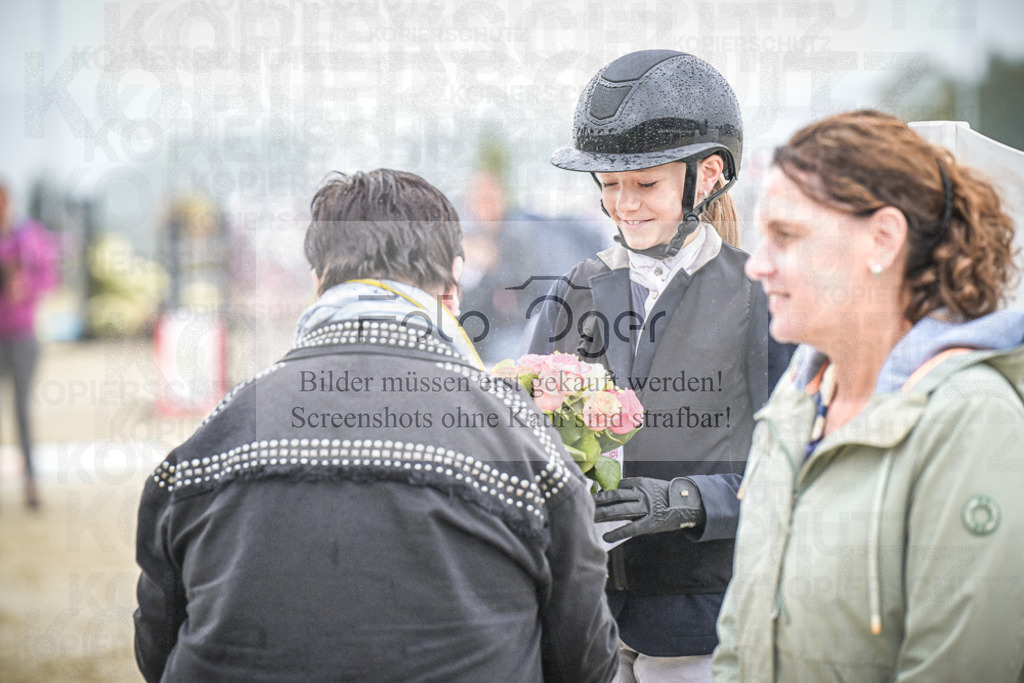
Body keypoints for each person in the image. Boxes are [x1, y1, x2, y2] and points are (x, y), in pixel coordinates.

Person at [133, 169, 619, 682]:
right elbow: (585, 660)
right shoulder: (519, 439)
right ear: (452, 285)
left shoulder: (214, 438)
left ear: (319, 281)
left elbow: (156, 649)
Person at [712, 110, 1024, 681]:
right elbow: (737, 640)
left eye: (787, 235)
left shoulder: (972, 420)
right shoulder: (794, 405)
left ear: (882, 240)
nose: (757, 264)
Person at [527, 50, 793, 681]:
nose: (624, 205)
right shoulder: (575, 289)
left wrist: (688, 500)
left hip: (702, 624)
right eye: (609, 185)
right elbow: (527, 433)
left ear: (707, 177)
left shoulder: (759, 297)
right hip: (589, 621)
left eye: (645, 185)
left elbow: (793, 469)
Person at [0, 181, 58, 509]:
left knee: (21, 411)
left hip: (22, 334)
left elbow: (50, 277)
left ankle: (31, 482)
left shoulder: (29, 236)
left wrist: (26, 285)